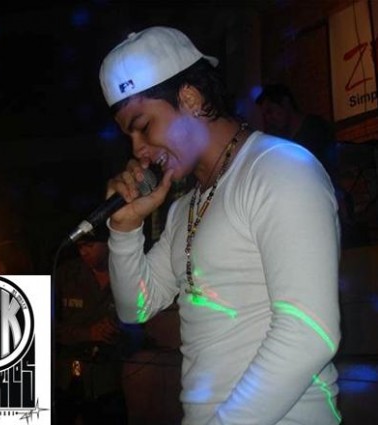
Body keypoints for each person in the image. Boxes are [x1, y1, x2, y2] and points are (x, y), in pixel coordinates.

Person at [97, 26, 342, 425]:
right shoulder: (185, 207)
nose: (138, 150)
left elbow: (309, 332)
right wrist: (124, 230)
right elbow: (135, 308)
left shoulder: (279, 169)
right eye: (130, 135)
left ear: (190, 99)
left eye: (144, 125)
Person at [54, 225, 142, 425]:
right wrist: (88, 333)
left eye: (89, 246)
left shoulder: (127, 276)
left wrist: (121, 332)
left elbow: (140, 330)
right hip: (67, 380)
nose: (83, 252)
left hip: (108, 382)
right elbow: (45, 326)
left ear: (108, 243)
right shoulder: (66, 275)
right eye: (79, 247)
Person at [255, 83, 338, 182]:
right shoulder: (281, 141)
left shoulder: (316, 129)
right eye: (265, 115)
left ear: (286, 103)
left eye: (270, 111)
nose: (268, 119)